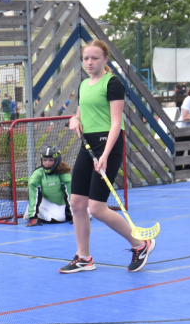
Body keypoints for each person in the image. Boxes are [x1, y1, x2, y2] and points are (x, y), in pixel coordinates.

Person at [63, 39, 154, 274]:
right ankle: (84, 257)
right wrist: (74, 119)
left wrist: (104, 154)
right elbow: (81, 114)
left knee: (96, 208)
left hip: (108, 146)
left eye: (94, 58)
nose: (89, 62)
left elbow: (116, 123)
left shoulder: (113, 83)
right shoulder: (84, 85)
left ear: (105, 59)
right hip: (87, 145)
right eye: (86, 58)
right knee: (77, 203)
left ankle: (140, 244)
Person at [25, 146, 72, 226]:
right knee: (60, 218)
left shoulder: (63, 174)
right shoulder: (37, 175)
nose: (47, 163)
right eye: (45, 160)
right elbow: (34, 196)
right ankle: (31, 213)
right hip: (44, 201)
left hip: (60, 202)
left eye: (51, 160)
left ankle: (66, 212)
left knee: (87, 214)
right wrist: (33, 216)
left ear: (57, 160)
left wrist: (74, 214)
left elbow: (70, 194)